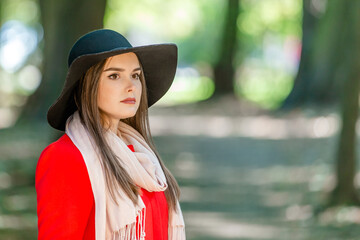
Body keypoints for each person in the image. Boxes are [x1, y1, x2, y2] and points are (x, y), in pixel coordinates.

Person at [35, 29, 185, 240]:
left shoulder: (141, 157)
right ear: (87, 86)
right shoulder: (65, 157)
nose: (131, 86)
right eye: (114, 75)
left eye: (135, 75)